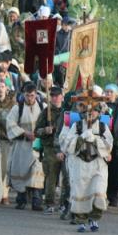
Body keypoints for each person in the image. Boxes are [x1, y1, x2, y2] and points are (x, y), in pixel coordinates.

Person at [60, 101, 114, 232]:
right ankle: (82, 221)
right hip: (80, 164)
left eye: (94, 111)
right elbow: (68, 145)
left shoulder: (102, 127)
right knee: (81, 193)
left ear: (98, 112)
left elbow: (109, 145)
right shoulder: (77, 126)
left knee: (99, 191)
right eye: (88, 111)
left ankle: (94, 218)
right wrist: (82, 137)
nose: (91, 114)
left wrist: (95, 140)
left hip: (97, 164)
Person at [6, 82, 45, 210]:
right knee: (21, 171)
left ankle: (36, 200)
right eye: (27, 95)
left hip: (37, 145)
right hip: (22, 145)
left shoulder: (43, 107)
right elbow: (10, 124)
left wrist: (42, 132)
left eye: (32, 96)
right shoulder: (18, 108)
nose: (30, 98)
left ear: (36, 95)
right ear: (24, 94)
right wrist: (24, 133)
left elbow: (48, 123)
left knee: (37, 171)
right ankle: (21, 199)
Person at [35, 85, 66, 214]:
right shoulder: (45, 112)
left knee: (66, 179)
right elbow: (36, 131)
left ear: (62, 97)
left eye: (57, 95)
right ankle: (49, 203)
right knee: (51, 178)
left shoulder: (67, 112)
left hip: (64, 148)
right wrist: (45, 130)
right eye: (52, 96)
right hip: (50, 148)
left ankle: (64, 203)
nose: (54, 98)